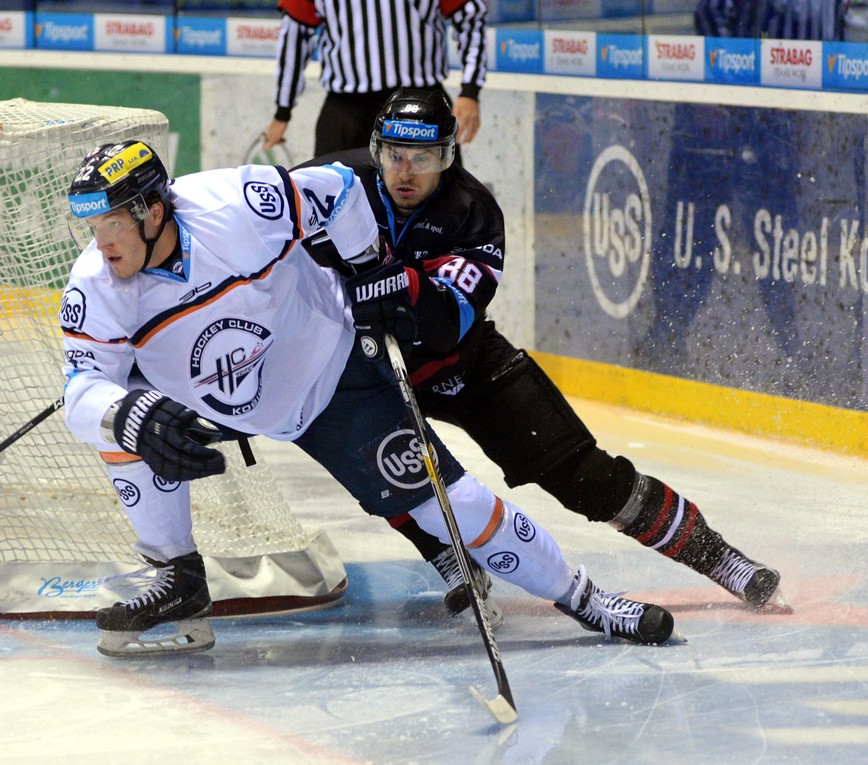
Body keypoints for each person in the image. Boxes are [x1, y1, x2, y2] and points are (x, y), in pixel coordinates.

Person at [58, 139, 677, 658]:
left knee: (448, 503)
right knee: (125, 426)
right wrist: (124, 413)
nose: (102, 242)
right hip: (214, 399)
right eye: (94, 225)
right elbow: (80, 389)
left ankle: (585, 598)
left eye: (113, 222)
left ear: (154, 212)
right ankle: (178, 576)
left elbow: (337, 188)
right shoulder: (96, 284)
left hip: (331, 379)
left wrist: (366, 267)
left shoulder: (235, 205)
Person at [303, 89, 785, 616]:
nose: (407, 172)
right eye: (395, 155)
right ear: (375, 150)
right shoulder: (330, 186)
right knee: (383, 469)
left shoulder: (473, 213)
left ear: (448, 156)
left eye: (425, 158)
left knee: (585, 478)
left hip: (465, 366)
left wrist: (406, 289)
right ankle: (451, 555)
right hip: (377, 374)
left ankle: (721, 559)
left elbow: (446, 326)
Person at [262, 0, 487, 159]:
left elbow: (470, 18)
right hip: (347, 108)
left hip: (420, 103)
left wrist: (470, 91)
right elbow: (295, 37)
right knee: (328, 201)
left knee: (439, 202)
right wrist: (282, 111)